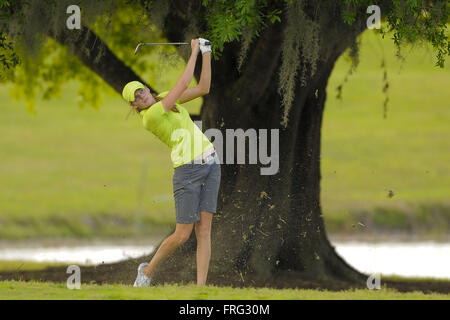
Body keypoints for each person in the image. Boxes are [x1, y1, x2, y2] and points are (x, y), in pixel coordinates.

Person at [121, 38, 220, 287]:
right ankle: (147, 272)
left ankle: (201, 289)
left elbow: (203, 88)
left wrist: (206, 52)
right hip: (187, 171)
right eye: (137, 97)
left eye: (141, 89)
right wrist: (194, 49)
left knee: (204, 230)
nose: (142, 95)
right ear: (134, 106)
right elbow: (184, 82)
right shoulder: (151, 116)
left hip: (211, 163)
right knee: (182, 234)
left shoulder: (164, 98)